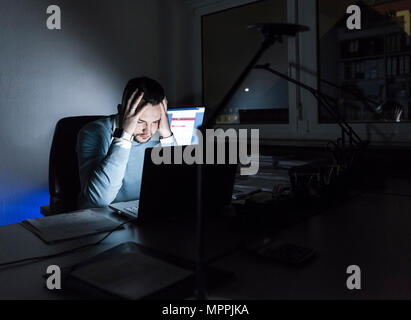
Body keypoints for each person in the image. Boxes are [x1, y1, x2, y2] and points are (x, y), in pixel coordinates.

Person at [76, 77, 176, 209]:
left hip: (140, 214)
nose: (148, 130)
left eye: (155, 121)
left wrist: (168, 137)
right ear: (121, 111)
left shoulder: (162, 135)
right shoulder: (93, 132)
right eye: (140, 121)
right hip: (101, 219)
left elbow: (177, 188)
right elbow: (100, 199)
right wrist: (124, 135)